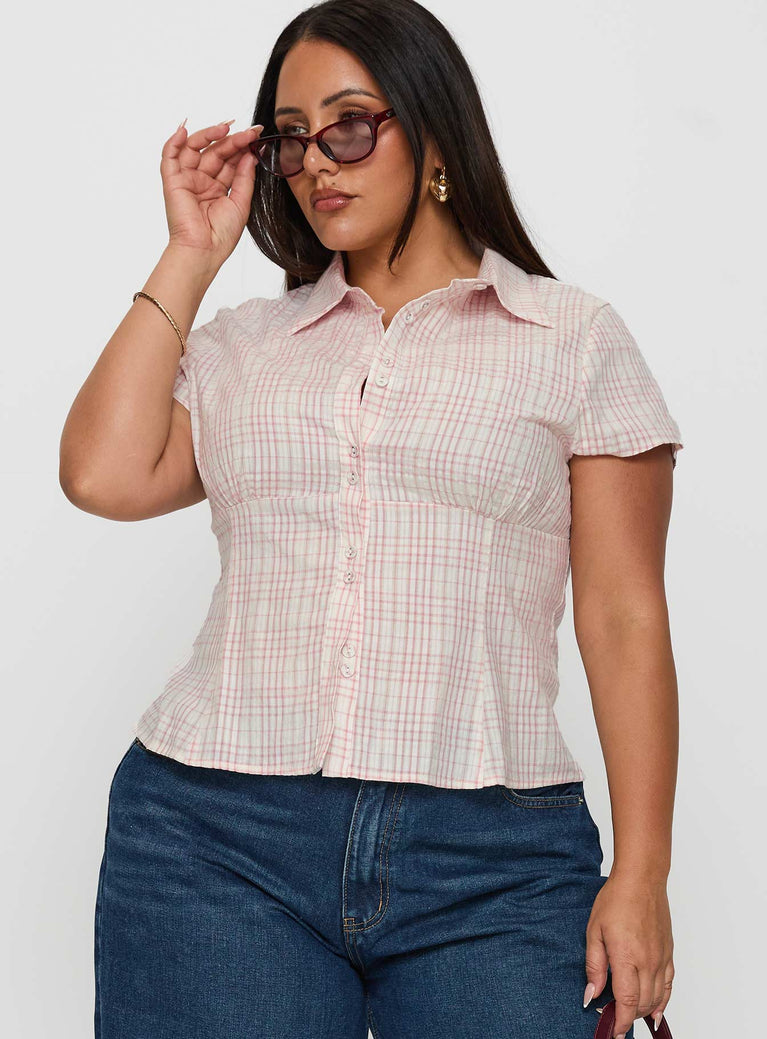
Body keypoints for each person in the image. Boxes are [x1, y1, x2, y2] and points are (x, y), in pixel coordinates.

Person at [59, 2, 683, 1037]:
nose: (315, 161)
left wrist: (642, 873)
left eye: (348, 126)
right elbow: (101, 474)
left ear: (431, 132)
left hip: (494, 860)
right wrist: (190, 253)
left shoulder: (570, 338)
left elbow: (623, 616)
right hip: (213, 839)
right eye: (290, 137)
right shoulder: (246, 346)